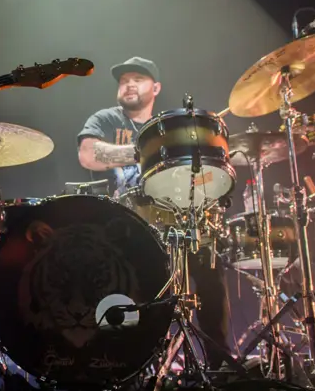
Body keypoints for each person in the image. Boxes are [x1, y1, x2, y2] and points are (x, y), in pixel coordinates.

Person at [77, 56, 233, 369]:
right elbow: (87, 155)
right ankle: (123, 366)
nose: (128, 84)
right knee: (126, 287)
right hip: (127, 221)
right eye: (123, 80)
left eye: (138, 78)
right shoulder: (106, 119)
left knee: (207, 263)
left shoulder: (171, 128)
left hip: (174, 215)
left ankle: (219, 364)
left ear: (156, 87)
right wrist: (144, 150)